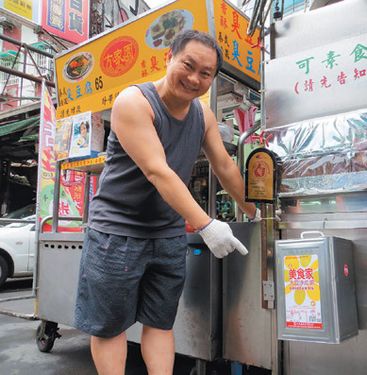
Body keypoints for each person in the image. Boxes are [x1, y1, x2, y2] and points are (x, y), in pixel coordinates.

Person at [74, 29, 259, 375]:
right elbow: (158, 171)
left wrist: (256, 211)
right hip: (116, 233)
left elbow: (224, 166)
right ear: (168, 58)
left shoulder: (202, 115)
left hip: (167, 235)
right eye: (188, 65)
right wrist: (206, 225)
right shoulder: (134, 102)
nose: (194, 78)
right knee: (110, 326)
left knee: (160, 322)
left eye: (205, 73)